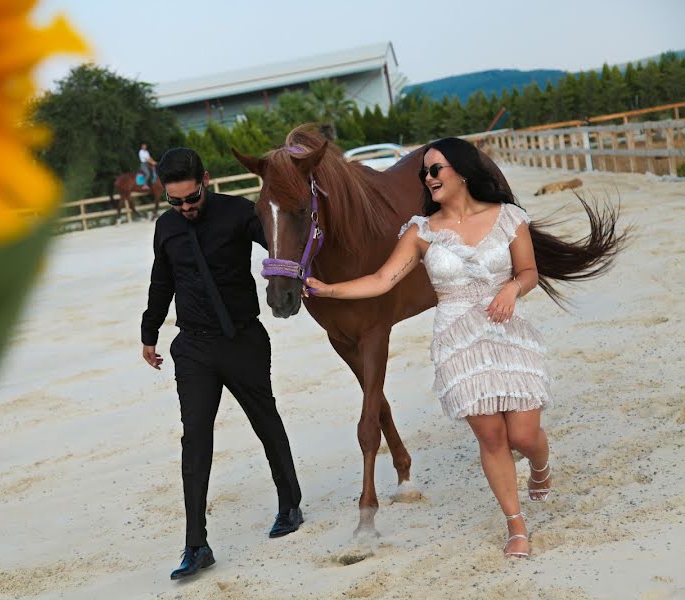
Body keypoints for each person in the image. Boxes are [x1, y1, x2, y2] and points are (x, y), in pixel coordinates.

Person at [305, 137, 624, 559]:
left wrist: (513, 288)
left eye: (436, 169)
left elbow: (528, 270)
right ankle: (516, 527)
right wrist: (328, 288)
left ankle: (540, 469)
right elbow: (383, 280)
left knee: (524, 436)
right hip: (459, 342)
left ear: (464, 172)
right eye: (425, 172)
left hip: (509, 333)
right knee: (492, 436)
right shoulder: (421, 231)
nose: (428, 177)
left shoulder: (509, 218)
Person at [141, 147, 303, 580]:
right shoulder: (167, 227)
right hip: (193, 346)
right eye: (176, 202)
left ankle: (290, 504)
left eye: (191, 198)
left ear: (206, 180)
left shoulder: (238, 213)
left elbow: (282, 238)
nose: (186, 208)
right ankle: (196, 545)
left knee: (265, 420)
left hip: (243, 340)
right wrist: (149, 333)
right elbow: (162, 280)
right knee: (194, 441)